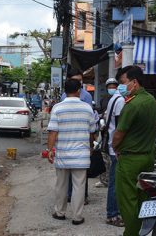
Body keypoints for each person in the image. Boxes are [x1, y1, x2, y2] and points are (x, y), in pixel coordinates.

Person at [112, 66, 156, 236]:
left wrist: (115, 147)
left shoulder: (132, 104)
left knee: (128, 201)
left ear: (134, 82)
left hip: (130, 159)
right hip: (148, 156)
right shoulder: (151, 100)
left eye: (123, 83)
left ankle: (131, 233)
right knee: (143, 198)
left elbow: (118, 134)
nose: (120, 87)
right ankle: (143, 231)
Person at [47, 78, 96, 226]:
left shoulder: (58, 108)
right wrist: (91, 147)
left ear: (65, 91)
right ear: (79, 91)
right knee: (79, 186)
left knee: (61, 185)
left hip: (62, 154)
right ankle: (77, 216)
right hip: (81, 155)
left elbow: (53, 131)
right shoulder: (87, 108)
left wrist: (50, 150)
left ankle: (60, 212)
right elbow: (92, 132)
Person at [100, 77, 125, 227]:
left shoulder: (113, 99)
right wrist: (118, 147)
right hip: (115, 147)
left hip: (112, 145)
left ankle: (113, 213)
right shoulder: (119, 101)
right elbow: (120, 126)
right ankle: (112, 215)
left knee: (114, 181)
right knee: (115, 183)